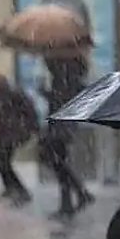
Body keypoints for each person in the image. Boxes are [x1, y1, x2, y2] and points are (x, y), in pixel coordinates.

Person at [40, 53, 95, 218]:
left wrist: (47, 94)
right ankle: (76, 196)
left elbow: (60, 100)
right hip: (63, 125)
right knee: (58, 162)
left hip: (60, 126)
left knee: (56, 162)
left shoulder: (64, 77)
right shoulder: (69, 76)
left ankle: (74, 198)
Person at [0, 68, 37, 205]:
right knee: (0, 159)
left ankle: (20, 190)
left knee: (1, 158)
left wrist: (30, 127)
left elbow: (29, 109)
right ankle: (11, 187)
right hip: (5, 132)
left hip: (16, 131)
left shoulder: (12, 92)